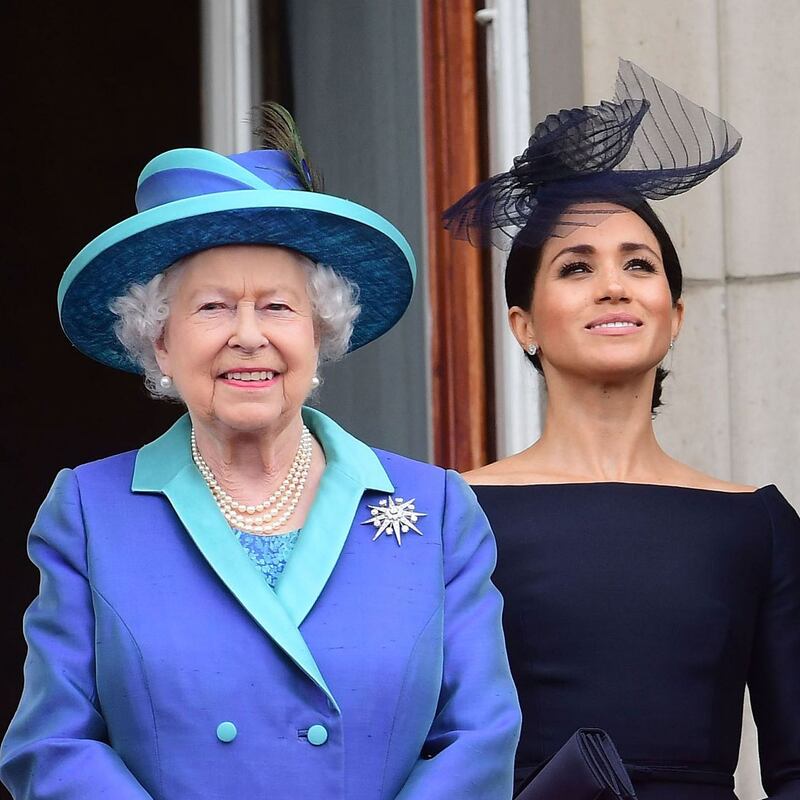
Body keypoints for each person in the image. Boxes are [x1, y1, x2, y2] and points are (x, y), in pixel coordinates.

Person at [1, 104, 521, 800]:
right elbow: (52, 744)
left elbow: (480, 738)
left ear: (320, 333)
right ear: (160, 342)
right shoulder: (90, 511)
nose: (249, 336)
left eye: (278, 307)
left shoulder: (437, 509)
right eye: (212, 307)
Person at [444, 60, 800, 799]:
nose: (613, 284)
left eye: (638, 264)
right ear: (525, 325)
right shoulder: (453, 512)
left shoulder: (758, 522)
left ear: (674, 314)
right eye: (576, 267)